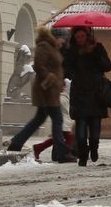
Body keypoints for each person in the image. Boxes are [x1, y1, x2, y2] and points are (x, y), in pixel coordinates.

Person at [8, 28, 72, 161]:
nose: (64, 41)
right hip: (46, 90)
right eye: (63, 38)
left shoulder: (53, 48)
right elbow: (39, 65)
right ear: (56, 37)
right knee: (57, 120)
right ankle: (61, 153)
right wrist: (51, 78)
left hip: (51, 90)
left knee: (39, 119)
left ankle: (16, 143)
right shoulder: (44, 46)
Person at [63, 24, 111, 165]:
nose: (80, 39)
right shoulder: (72, 51)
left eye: (82, 36)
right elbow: (66, 70)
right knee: (80, 134)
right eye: (77, 37)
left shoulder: (98, 48)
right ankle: (83, 155)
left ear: (87, 36)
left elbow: (107, 66)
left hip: (96, 95)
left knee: (94, 132)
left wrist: (97, 55)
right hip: (79, 95)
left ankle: (94, 148)